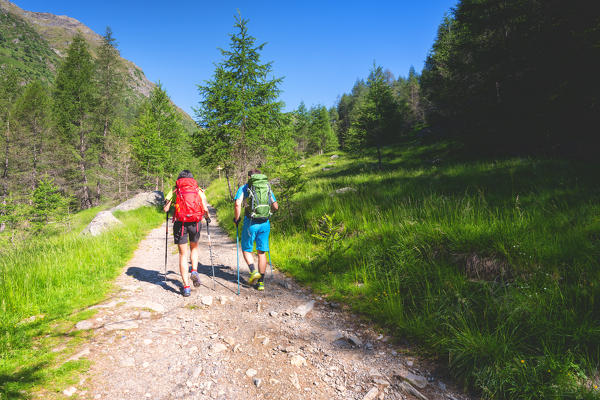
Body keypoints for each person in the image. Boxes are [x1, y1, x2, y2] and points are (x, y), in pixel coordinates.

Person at [163, 170, 210, 297]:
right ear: (192, 178)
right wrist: (207, 216)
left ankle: (186, 287)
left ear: (179, 179)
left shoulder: (175, 189)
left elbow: (166, 208)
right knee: (194, 248)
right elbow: (205, 207)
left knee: (182, 254)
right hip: (195, 223)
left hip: (180, 224)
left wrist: (169, 206)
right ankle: (194, 270)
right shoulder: (197, 189)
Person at [233, 169, 279, 291]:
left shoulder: (244, 188)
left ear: (249, 177)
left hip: (251, 223)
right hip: (265, 222)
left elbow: (237, 204)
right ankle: (261, 283)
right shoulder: (266, 187)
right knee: (261, 252)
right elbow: (275, 206)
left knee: (246, 249)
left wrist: (236, 219)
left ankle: (253, 271)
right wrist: (268, 213)